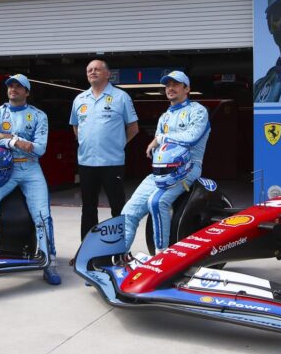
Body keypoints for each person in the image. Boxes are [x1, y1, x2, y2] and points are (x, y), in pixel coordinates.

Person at [0, 73, 61, 285]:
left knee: (42, 214)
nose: (13, 89)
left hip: (31, 168)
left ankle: (49, 261)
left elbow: (39, 149)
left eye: (18, 86)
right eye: (10, 86)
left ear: (27, 91)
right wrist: (16, 143)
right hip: (5, 168)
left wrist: (8, 137)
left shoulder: (38, 115)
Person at [120, 70, 210, 253]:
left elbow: (192, 137)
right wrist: (159, 143)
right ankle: (118, 258)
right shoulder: (165, 117)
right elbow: (159, 151)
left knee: (157, 201)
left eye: (176, 84)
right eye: (167, 85)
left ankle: (162, 255)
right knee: (128, 212)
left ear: (187, 89)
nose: (170, 88)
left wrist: (161, 138)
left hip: (189, 167)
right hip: (161, 172)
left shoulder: (198, 110)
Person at [70, 59, 139, 242]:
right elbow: (76, 127)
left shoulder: (121, 97)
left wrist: (116, 144)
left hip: (112, 163)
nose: (92, 72)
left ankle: (118, 251)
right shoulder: (80, 99)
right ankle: (86, 252)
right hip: (86, 163)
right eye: (89, 70)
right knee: (88, 208)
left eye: (97, 69)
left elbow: (133, 128)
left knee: (117, 207)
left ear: (108, 74)